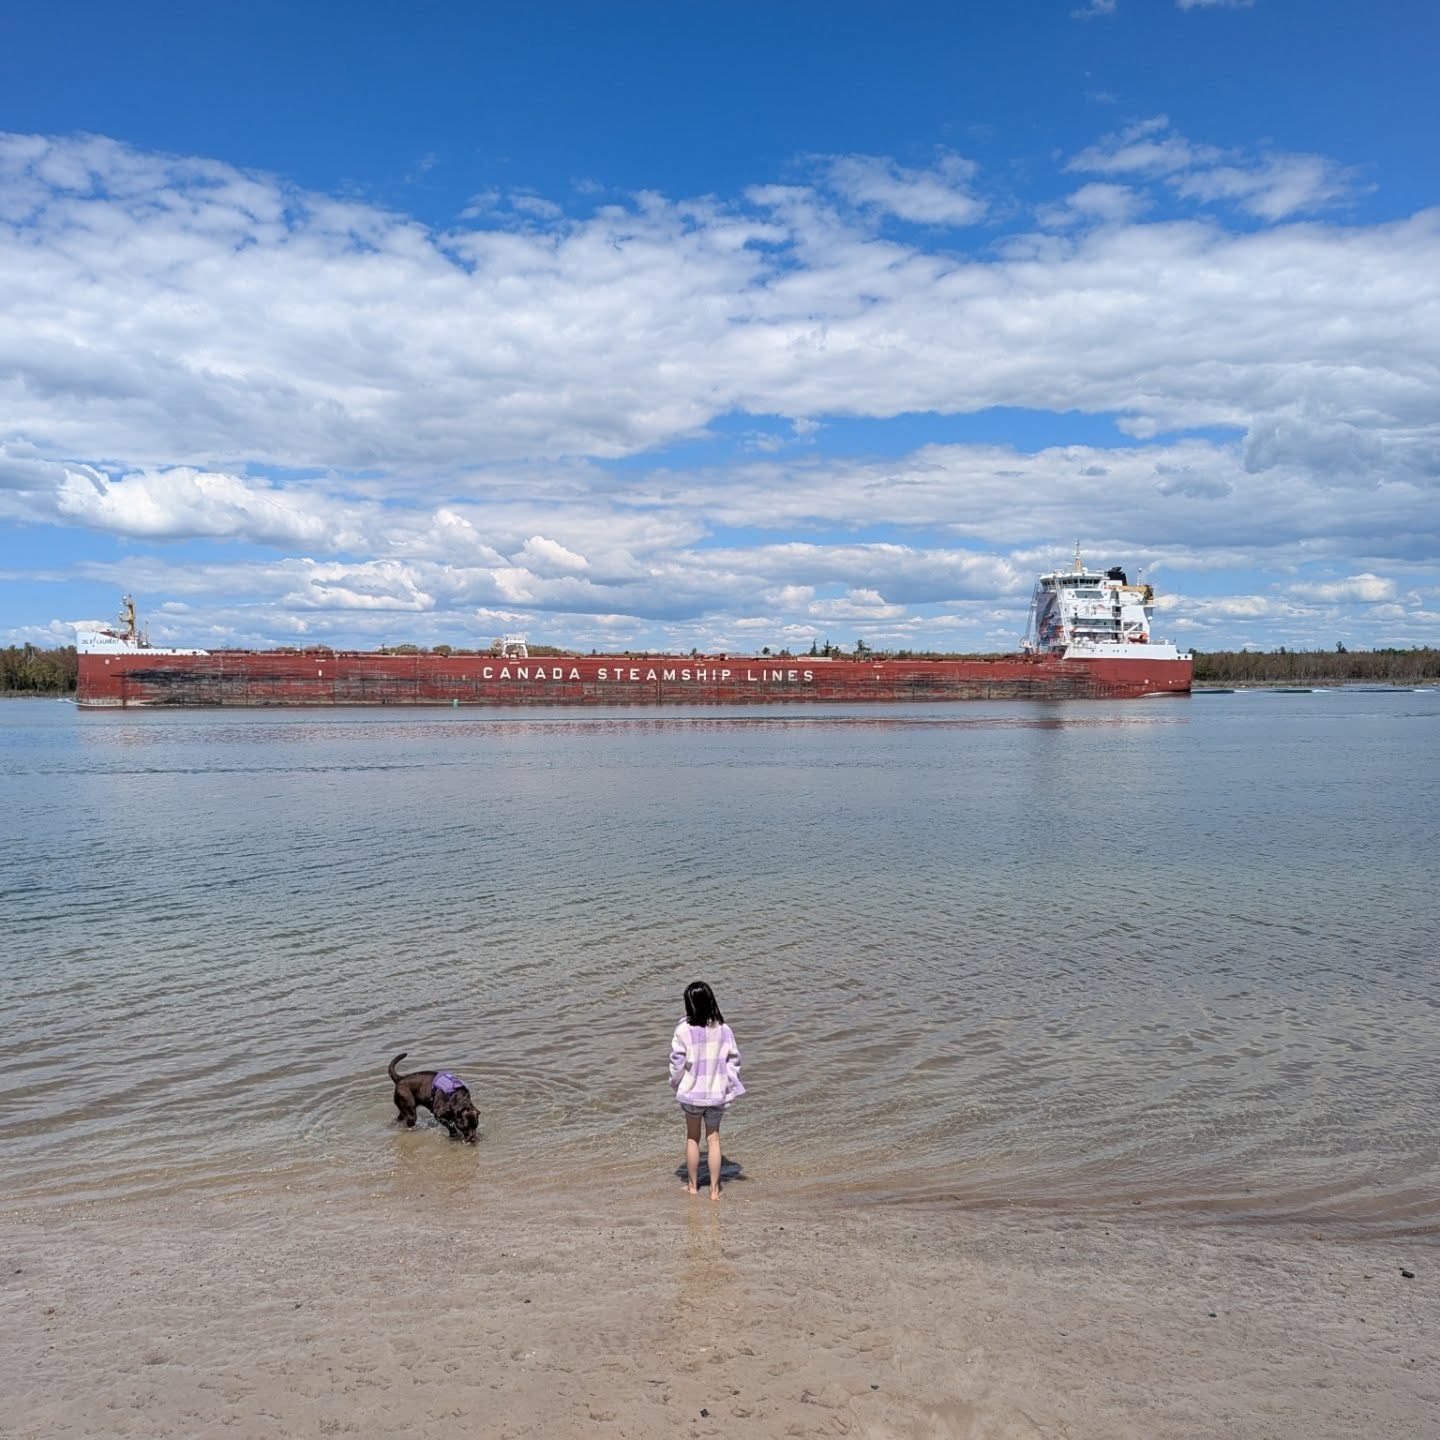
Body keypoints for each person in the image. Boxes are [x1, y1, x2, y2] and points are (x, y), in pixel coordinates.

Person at [668, 980, 745, 1199]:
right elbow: (734, 1060)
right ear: (712, 1001)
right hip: (716, 1095)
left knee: (693, 1138)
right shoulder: (723, 1029)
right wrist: (729, 1084)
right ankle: (714, 1190)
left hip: (692, 1094)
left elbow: (677, 1064)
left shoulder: (683, 1030)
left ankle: (693, 1187)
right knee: (714, 1139)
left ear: (689, 1004)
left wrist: (675, 1083)